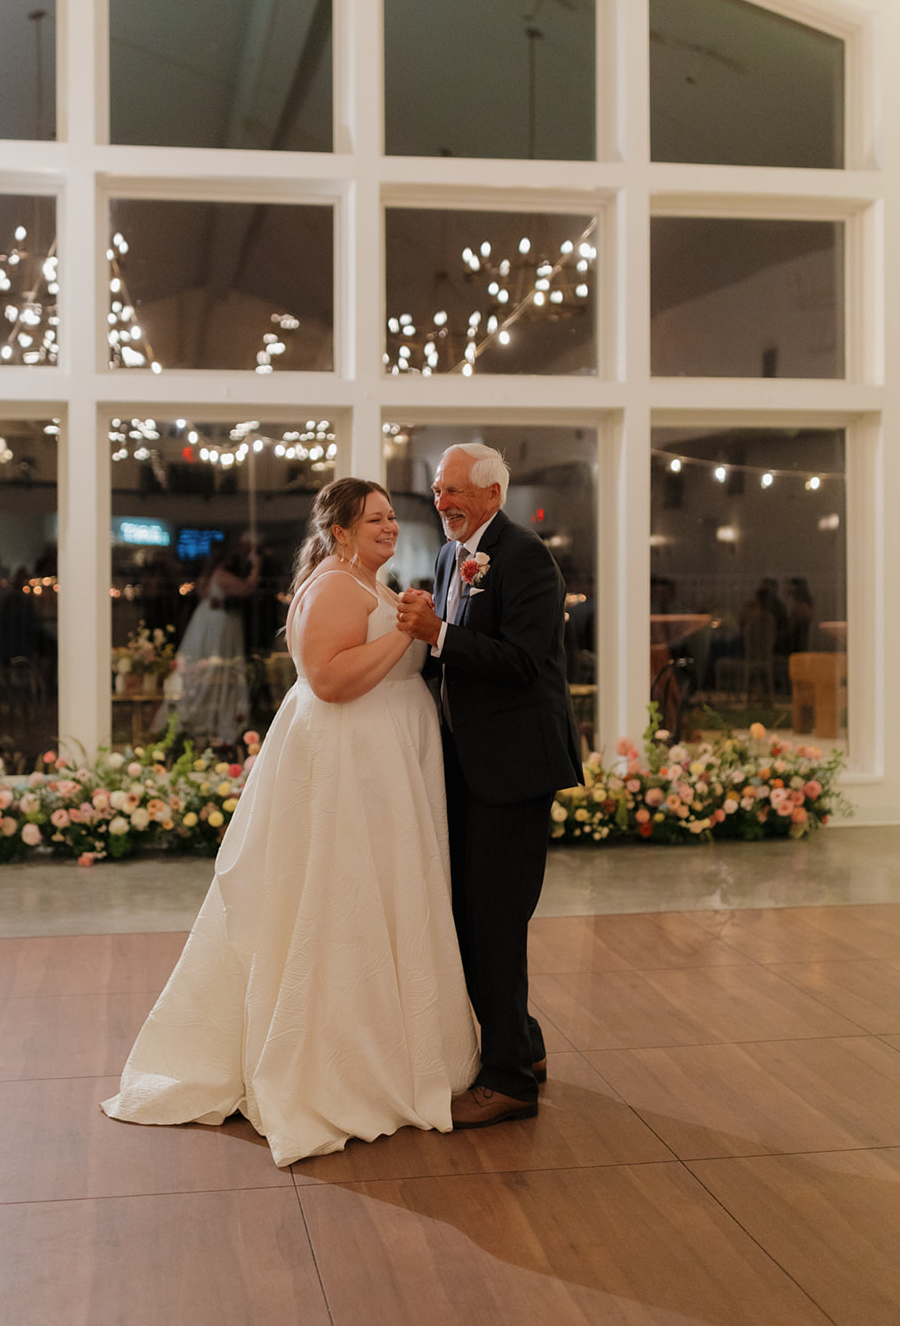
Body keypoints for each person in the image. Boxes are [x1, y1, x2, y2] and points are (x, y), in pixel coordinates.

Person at [103, 479, 477, 1167]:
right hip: (351, 769)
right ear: (339, 530)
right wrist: (403, 631)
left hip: (382, 770)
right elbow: (327, 680)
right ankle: (338, 1066)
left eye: (393, 516)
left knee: (385, 900)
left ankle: (394, 1044)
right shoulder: (336, 586)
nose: (390, 527)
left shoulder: (365, 580)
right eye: (374, 519)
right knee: (340, 904)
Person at [397, 444, 583, 1129]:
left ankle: (508, 1083)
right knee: (476, 918)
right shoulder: (453, 556)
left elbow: (522, 661)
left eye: (454, 491)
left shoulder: (526, 556)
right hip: (473, 764)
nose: (442, 501)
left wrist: (439, 634)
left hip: (516, 767)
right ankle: (523, 1046)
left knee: (496, 923)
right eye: (438, 490)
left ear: (492, 495)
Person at [154, 542, 259, 746]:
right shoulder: (221, 575)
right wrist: (256, 566)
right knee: (216, 666)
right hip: (218, 625)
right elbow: (246, 589)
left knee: (215, 667)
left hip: (211, 621)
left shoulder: (211, 575)